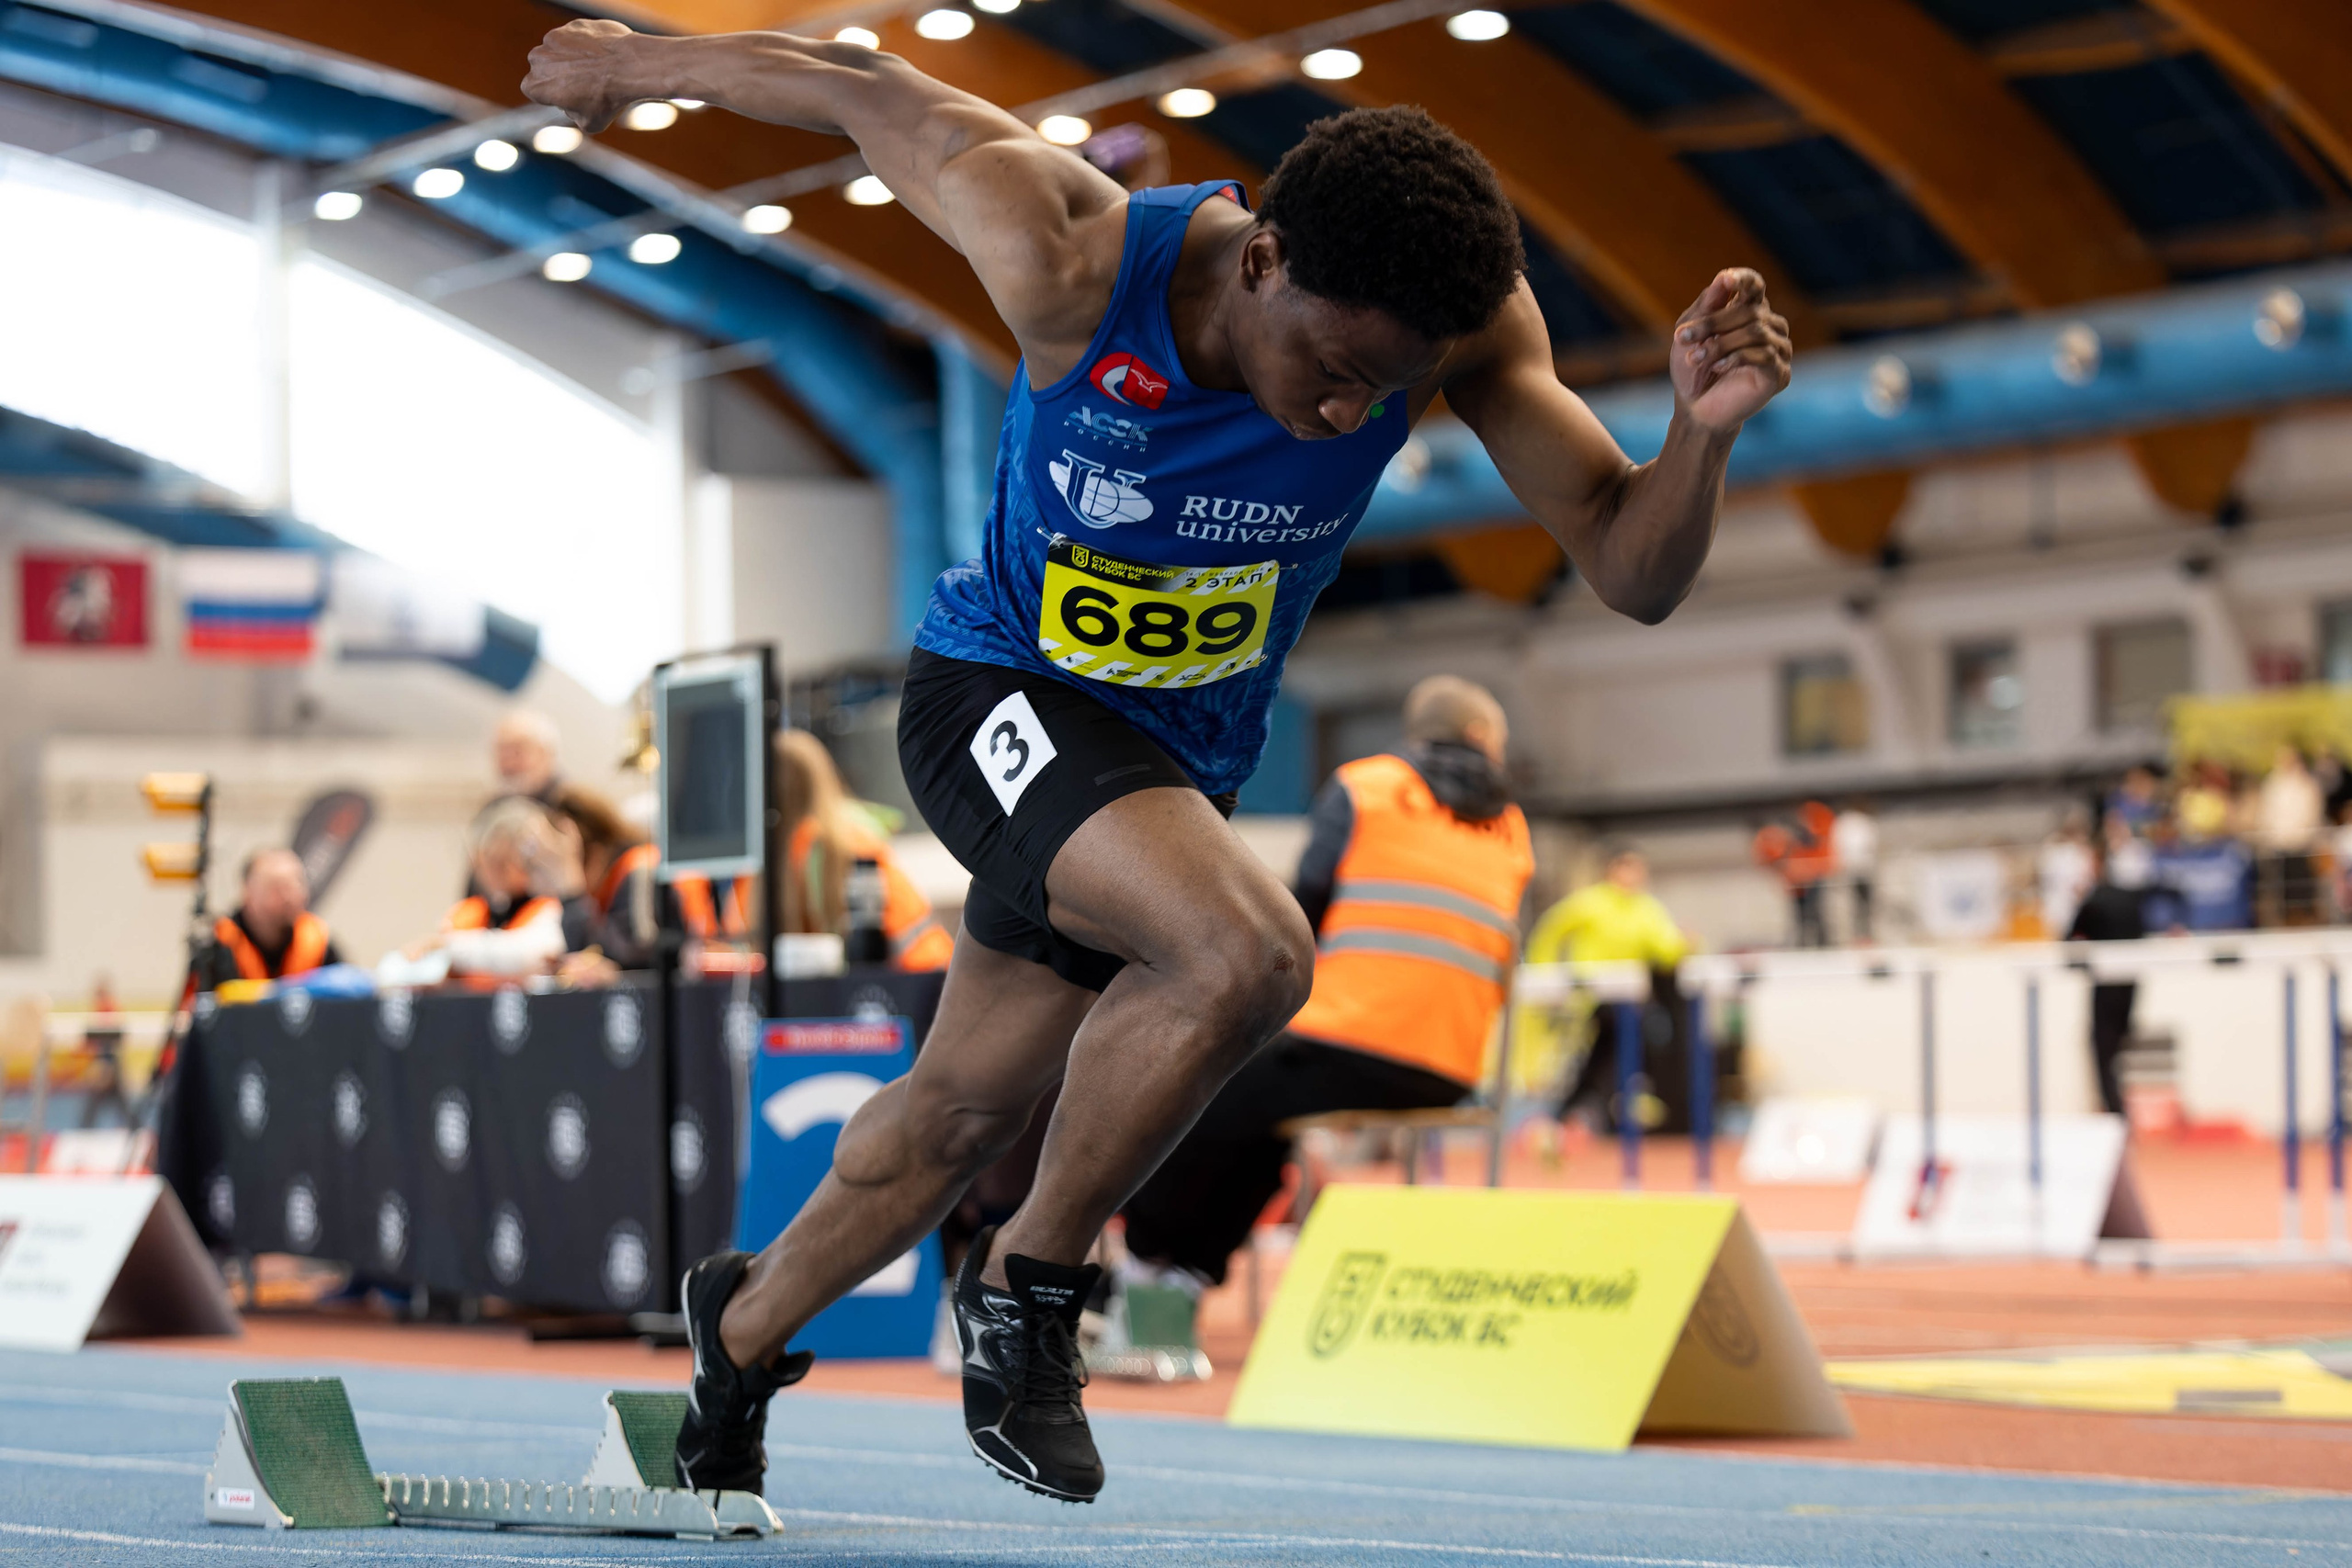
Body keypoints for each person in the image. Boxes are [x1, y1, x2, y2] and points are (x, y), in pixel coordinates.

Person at [525, 17, 1789, 1503]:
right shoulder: (1069, 248)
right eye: (1328, 368)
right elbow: (861, 87)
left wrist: (1702, 440)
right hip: (995, 697)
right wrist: (642, 67)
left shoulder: (1459, 321)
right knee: (1248, 950)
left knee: (953, 1115)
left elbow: (1629, 566)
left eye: (1376, 396)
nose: (1341, 414)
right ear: (1259, 260)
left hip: (1160, 759)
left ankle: (736, 1335)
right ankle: (1033, 1293)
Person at [1114, 676, 1531, 1314]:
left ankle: (1146, 1263)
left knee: (1199, 1087)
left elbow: (1297, 915)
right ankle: (1187, 1274)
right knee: (1259, 1117)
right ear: (1481, 738)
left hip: (1347, 1045)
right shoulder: (1511, 828)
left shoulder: (1368, 788)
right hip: (1450, 1068)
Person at [680, 731, 954, 968]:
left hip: (905, 986)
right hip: (915, 986)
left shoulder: (797, 852)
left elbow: (742, 945)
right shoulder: (855, 841)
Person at [1524, 848, 1690, 1127]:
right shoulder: (1589, 902)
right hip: (1594, 997)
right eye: (1629, 868)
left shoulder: (1646, 909)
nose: (1635, 876)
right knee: (1618, 1045)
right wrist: (1546, 973)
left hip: (1630, 999)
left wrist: (1687, 944)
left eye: (1639, 870)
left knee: (1606, 1056)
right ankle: (1624, 1094)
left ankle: (1586, 1108)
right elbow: (1549, 930)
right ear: (1612, 870)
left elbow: (1667, 949)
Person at [413, 799, 573, 979]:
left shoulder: (551, 909)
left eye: (505, 863)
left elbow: (527, 954)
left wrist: (449, 947)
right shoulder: (467, 912)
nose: (496, 874)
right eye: (491, 863)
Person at [2066, 843, 2147, 1115]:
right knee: (2119, 1046)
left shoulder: (2095, 900)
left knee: (2103, 1049)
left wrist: (2079, 904)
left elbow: (2069, 938)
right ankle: (2118, 1107)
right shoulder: (2131, 899)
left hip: (2107, 985)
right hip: (2131, 984)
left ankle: (2114, 1110)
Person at [197, 848, 342, 991]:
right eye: (278, 888)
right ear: (248, 892)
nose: (289, 898)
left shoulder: (317, 941)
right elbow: (193, 1008)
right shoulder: (217, 945)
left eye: (297, 885)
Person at [1832, 800, 1877, 943]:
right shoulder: (1851, 823)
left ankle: (1864, 934)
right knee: (1857, 905)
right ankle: (1860, 934)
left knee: (1863, 904)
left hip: (1859, 868)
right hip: (1857, 868)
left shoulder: (1846, 823)